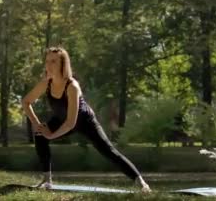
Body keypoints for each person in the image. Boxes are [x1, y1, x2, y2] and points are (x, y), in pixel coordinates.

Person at [22, 47, 151, 192]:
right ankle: (47, 181)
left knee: (109, 151)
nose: (48, 65)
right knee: (39, 135)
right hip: (61, 119)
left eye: (53, 62)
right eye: (47, 61)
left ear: (63, 65)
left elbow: (71, 123)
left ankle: (142, 183)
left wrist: (51, 134)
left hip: (85, 122)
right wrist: (37, 124)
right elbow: (26, 101)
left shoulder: (72, 87)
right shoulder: (46, 83)